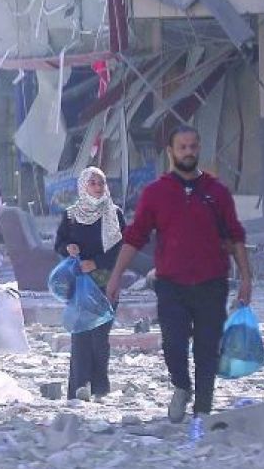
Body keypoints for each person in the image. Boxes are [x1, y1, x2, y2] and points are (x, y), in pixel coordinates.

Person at [106, 125, 253, 423]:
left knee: (207, 348)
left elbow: (236, 236)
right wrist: (115, 277)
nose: (188, 152)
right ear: (171, 152)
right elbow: (135, 237)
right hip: (171, 285)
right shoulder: (156, 193)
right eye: (182, 147)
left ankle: (202, 411)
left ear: (199, 149)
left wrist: (247, 278)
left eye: (193, 146)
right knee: (173, 343)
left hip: (212, 283)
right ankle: (181, 386)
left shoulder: (216, 192)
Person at [54, 166, 126, 401]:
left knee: (99, 337)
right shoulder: (72, 215)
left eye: (100, 183)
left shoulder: (114, 214)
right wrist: (68, 249)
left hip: (106, 282)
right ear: (83, 186)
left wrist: (97, 263)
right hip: (80, 285)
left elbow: (123, 250)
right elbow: (59, 243)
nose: (97, 187)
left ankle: (99, 388)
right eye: (92, 183)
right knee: (81, 335)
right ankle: (79, 387)